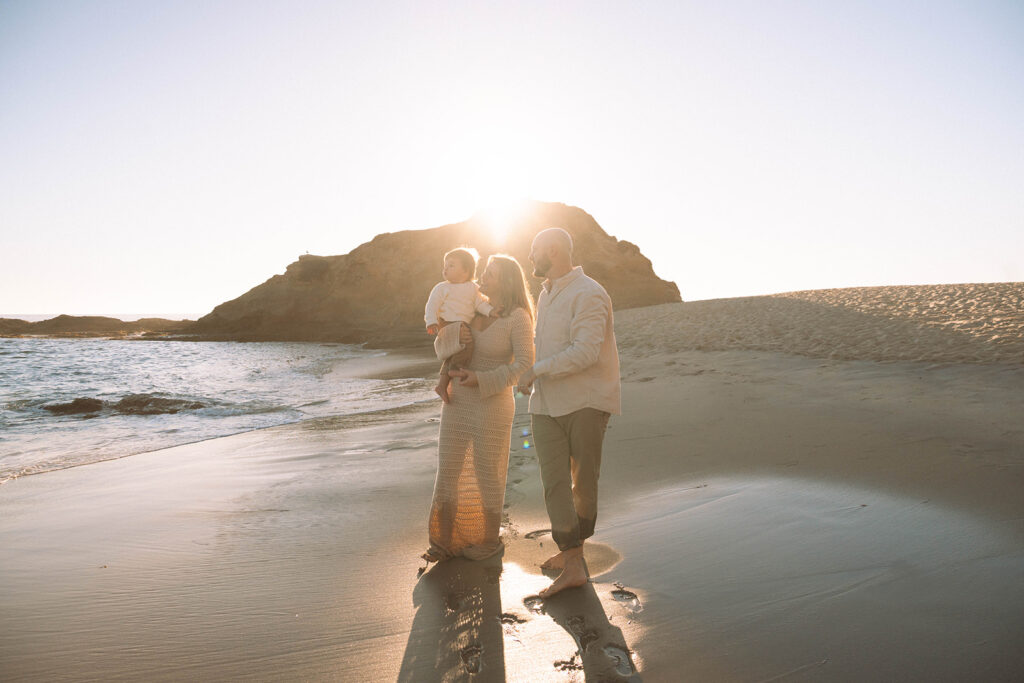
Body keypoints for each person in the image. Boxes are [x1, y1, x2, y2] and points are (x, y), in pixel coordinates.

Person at [516, 227, 621, 598]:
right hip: (545, 405)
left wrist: (536, 370)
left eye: (534, 251)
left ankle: (574, 554)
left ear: (554, 250)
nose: (530, 258)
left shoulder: (589, 292)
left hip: (586, 401)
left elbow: (586, 352)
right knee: (554, 483)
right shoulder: (544, 296)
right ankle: (572, 558)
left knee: (583, 483)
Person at [422, 254, 536, 563]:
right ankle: (442, 542)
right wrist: (445, 337)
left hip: (494, 402)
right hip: (457, 399)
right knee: (449, 468)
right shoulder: (470, 309)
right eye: (483, 271)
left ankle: (487, 541)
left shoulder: (518, 317)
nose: (482, 277)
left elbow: (525, 364)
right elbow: (445, 349)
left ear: (507, 281)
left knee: (487, 472)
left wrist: (482, 379)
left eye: (490, 273)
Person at [424, 248, 496, 404]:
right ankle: (455, 369)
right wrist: (431, 322)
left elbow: (480, 304)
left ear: (465, 271)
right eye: (445, 265)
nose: (445, 269)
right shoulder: (442, 288)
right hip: (447, 322)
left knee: (453, 352)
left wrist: (491, 312)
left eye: (451, 265)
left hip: (462, 324)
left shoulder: (473, 288)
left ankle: (442, 384)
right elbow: (431, 306)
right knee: (467, 345)